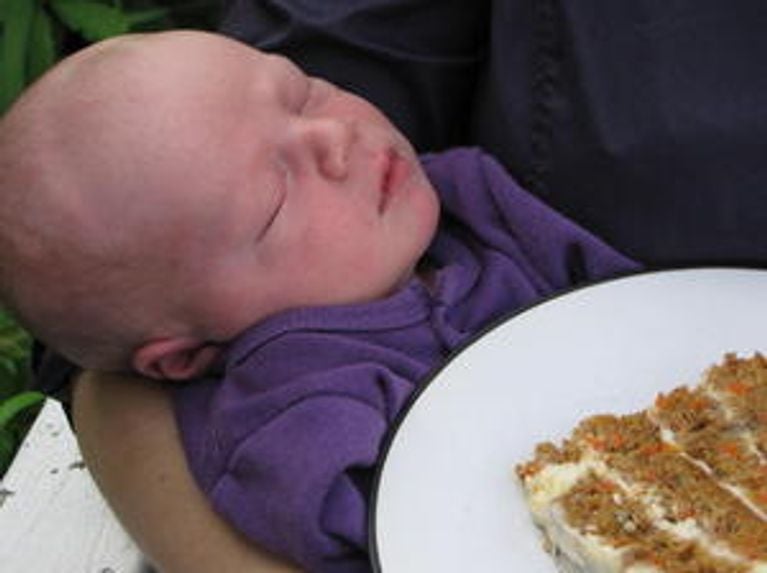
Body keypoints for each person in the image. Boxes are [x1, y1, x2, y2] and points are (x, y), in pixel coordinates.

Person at [0, 31, 637, 571]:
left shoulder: (477, 204)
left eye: (303, 91)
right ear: (185, 355)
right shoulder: (303, 429)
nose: (336, 135)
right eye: (275, 199)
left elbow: (641, 311)